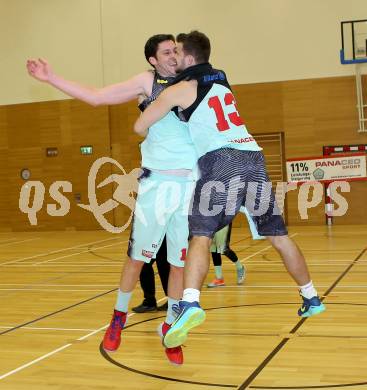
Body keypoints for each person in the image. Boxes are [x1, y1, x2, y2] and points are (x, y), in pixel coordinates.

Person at [134, 30, 326, 349]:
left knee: (201, 235)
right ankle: (311, 295)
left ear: (190, 59)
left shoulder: (180, 89)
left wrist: (149, 103)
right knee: (278, 236)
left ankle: (190, 303)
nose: (173, 57)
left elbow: (140, 127)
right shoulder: (221, 79)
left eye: (177, 52)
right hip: (253, 156)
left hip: (220, 160)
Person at [27, 34, 196, 365]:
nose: (174, 55)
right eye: (167, 51)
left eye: (176, 49)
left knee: (179, 266)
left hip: (190, 185)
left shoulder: (192, 81)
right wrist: (52, 78)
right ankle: (118, 317)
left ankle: (171, 328)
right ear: (153, 59)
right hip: (158, 184)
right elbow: (96, 97)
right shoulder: (147, 82)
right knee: (137, 260)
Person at [208, 207, 264, 287]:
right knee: (213, 249)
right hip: (212, 221)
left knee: (223, 249)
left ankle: (240, 267)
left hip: (224, 221)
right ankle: (219, 278)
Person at [132, 237, 169, 312]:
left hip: (160, 234)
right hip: (157, 235)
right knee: (161, 264)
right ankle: (150, 301)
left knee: (147, 264)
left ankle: (150, 302)